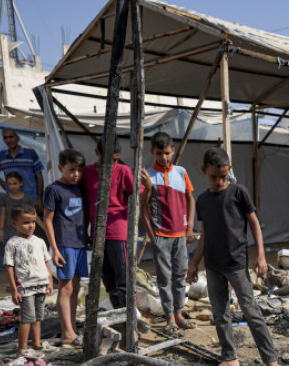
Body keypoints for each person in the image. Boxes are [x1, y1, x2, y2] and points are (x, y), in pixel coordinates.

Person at [186, 147, 284, 366]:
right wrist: (194, 264)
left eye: (224, 176)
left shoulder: (239, 192)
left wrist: (261, 255)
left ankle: (272, 361)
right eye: (214, 177)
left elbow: (254, 223)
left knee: (251, 312)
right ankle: (230, 358)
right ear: (204, 171)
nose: (220, 181)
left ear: (229, 171)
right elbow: (205, 235)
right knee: (220, 314)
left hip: (236, 264)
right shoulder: (202, 200)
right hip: (213, 266)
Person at [143, 131, 197, 334]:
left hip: (180, 235)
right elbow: (143, 207)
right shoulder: (148, 175)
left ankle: (179, 313)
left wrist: (189, 226)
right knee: (164, 278)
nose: (163, 157)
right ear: (152, 152)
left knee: (180, 274)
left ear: (173, 151)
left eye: (167, 153)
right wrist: (153, 235)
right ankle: (169, 317)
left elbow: (191, 198)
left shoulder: (181, 172)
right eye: (159, 153)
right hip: (161, 236)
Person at [82, 139, 135, 309]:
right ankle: (119, 309)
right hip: (97, 232)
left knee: (122, 276)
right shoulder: (87, 172)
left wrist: (146, 187)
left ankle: (126, 314)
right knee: (106, 276)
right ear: (97, 153)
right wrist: (86, 232)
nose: (112, 164)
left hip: (117, 230)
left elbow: (136, 193)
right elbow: (85, 202)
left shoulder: (123, 171)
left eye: (115, 160)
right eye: (109, 160)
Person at [42, 149, 87, 347]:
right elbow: (48, 220)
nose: (76, 174)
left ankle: (71, 328)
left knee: (76, 287)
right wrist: (55, 249)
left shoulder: (80, 188)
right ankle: (67, 332)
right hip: (65, 244)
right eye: (71, 170)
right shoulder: (53, 189)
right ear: (61, 168)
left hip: (80, 244)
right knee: (66, 288)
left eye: (79, 170)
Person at [4, 204, 53, 357]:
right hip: (25, 287)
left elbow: (46, 262)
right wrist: (14, 290)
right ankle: (22, 349)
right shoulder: (12, 243)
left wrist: (50, 281)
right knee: (26, 319)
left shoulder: (40, 241)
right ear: (14, 224)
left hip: (41, 285)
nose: (31, 226)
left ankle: (37, 344)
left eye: (32, 222)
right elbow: (10, 267)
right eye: (26, 222)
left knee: (38, 318)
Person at [0, 128, 44, 202]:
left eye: (11, 137)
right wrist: (3, 184)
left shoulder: (30, 154)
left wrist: (39, 199)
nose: (8, 140)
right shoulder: (1, 156)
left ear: (17, 138)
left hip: (31, 200)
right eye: (5, 138)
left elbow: (39, 177)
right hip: (13, 201)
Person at [0, 171, 36, 243]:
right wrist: (1, 230)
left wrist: (44, 227)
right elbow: (3, 215)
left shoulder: (27, 199)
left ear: (21, 183)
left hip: (25, 231)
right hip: (11, 231)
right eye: (10, 184)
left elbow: (33, 215)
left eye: (15, 183)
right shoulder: (5, 199)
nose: (12, 186)